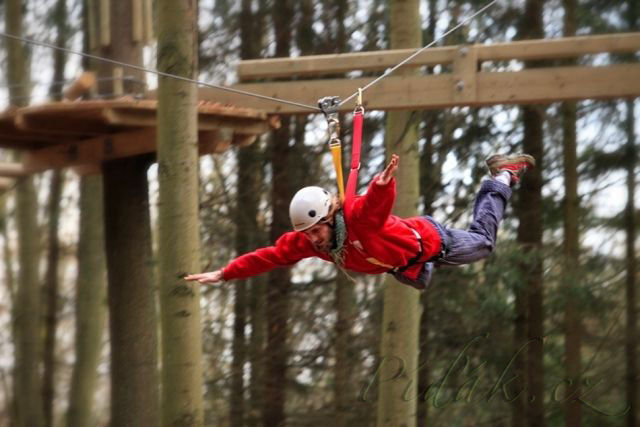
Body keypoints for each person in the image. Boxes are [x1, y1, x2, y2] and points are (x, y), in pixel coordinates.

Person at [185, 153, 535, 290]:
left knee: (484, 243)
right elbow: (269, 256)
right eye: (307, 235)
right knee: (419, 281)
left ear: (330, 216)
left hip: (431, 242)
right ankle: (417, 270)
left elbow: (372, 208)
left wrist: (382, 185)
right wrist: (225, 272)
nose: (314, 240)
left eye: (316, 230)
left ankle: (501, 177)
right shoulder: (313, 244)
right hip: (403, 263)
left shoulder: (356, 219)